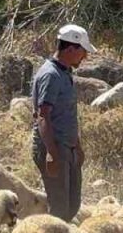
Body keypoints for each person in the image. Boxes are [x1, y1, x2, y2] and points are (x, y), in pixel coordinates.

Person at [31, 24, 96, 222]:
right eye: (83, 52)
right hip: (54, 147)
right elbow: (43, 116)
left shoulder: (64, 73)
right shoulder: (50, 75)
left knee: (72, 205)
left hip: (67, 147)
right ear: (71, 49)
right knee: (59, 208)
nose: (84, 57)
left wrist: (77, 145)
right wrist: (51, 153)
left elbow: (66, 114)